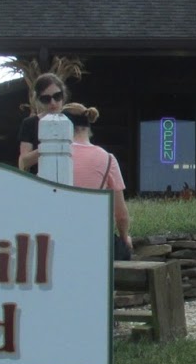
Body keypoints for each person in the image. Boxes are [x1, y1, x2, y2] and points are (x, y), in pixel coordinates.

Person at [21, 99, 133, 258]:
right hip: (92, 238)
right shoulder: (108, 159)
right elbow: (121, 215)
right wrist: (124, 239)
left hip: (52, 238)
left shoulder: (48, 155)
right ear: (88, 127)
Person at [16, 73, 68, 170]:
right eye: (46, 99)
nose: (53, 103)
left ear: (63, 95)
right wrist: (50, 146)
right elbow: (23, 162)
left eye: (57, 96)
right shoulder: (30, 123)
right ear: (38, 100)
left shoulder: (71, 119)